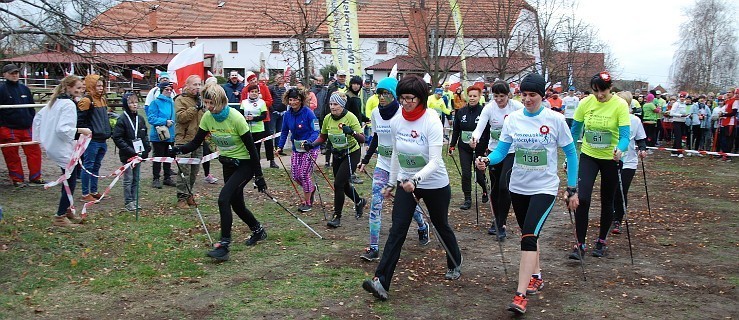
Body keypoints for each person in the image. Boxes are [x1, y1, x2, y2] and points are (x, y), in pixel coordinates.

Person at [475, 72, 579, 314]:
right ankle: (537, 276)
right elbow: (501, 151)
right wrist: (487, 160)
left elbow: (572, 155)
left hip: (544, 188)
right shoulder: (513, 119)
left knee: (529, 235)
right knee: (528, 234)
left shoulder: (555, 120)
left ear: (543, 96)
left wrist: (572, 187)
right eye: (525, 94)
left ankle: (520, 295)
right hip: (518, 187)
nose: (528, 99)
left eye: (533, 95)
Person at [362, 75, 462, 302]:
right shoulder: (397, 121)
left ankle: (455, 261)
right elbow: (397, 153)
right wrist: (391, 182)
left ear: (421, 98)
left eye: (411, 98)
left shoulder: (431, 121)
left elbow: (436, 161)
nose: (406, 102)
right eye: (403, 98)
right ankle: (381, 281)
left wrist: (415, 180)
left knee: (440, 225)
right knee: (397, 229)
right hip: (406, 183)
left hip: (434, 182)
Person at [171, 82, 268, 261]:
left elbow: (253, 151)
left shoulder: (236, 118)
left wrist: (259, 176)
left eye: (211, 103)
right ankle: (258, 230)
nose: (208, 107)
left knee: (223, 199)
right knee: (236, 204)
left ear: (221, 101)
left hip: (244, 164)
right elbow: (195, 143)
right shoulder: (208, 117)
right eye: (205, 103)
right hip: (228, 164)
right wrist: (178, 150)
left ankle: (224, 244)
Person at [357, 77, 430, 261]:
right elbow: (375, 137)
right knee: (376, 204)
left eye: (386, 94)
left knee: (407, 205)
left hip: (402, 167)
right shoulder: (375, 113)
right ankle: (373, 247)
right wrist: (365, 159)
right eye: (379, 93)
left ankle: (422, 226)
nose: (382, 97)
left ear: (395, 95)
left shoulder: (402, 114)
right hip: (382, 164)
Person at [569, 71, 630, 260]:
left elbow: (625, 136)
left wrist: (620, 149)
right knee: (583, 198)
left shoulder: (619, 105)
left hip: (610, 159)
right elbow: (575, 131)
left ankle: (602, 241)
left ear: (610, 88)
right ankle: (580, 243)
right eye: (595, 91)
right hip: (589, 155)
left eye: (603, 91)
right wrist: (568, 156)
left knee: (607, 200)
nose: (599, 95)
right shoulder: (585, 103)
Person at [32, 75, 90, 227]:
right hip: (62, 148)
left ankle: (67, 209)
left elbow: (38, 119)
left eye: (82, 88)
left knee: (68, 178)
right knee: (70, 180)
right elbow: (63, 130)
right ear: (69, 88)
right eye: (77, 88)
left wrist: (41, 139)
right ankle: (60, 215)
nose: (80, 90)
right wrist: (81, 130)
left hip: (54, 146)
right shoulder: (68, 105)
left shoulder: (54, 102)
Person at [470, 80, 523, 239]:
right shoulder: (489, 108)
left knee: (504, 187)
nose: (499, 100)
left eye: (502, 96)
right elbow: (479, 129)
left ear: (509, 95)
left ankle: (502, 223)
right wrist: (474, 138)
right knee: (494, 187)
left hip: (512, 151)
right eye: (495, 96)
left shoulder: (516, 108)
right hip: (494, 151)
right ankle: (496, 219)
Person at [305, 92, 366, 228]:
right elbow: (323, 137)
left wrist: (352, 132)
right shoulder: (327, 118)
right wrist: (312, 144)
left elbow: (362, 139)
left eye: (335, 104)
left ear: (342, 105)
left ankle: (337, 216)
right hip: (337, 154)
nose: (332, 107)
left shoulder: (350, 117)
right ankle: (359, 201)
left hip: (352, 153)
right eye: (331, 104)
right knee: (343, 185)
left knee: (338, 184)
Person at [275, 88, 319, 212]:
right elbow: (284, 131)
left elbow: (316, 130)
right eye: (291, 100)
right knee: (295, 175)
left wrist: (309, 142)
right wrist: (280, 147)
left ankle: (308, 202)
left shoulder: (308, 113)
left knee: (304, 174)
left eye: (296, 100)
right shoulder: (287, 115)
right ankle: (310, 188)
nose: (293, 102)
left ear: (301, 101)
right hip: (297, 148)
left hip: (310, 147)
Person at [0, 63, 43, 187]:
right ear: (5, 74)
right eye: (11, 73)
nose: (14, 75)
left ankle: (36, 177)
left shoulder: (24, 88)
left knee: (35, 152)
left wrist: (32, 121)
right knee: (11, 155)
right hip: (8, 128)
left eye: (16, 73)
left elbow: (31, 107)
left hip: (27, 127)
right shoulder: (1, 89)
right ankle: (17, 179)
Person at [611, 91, 647, 234]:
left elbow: (641, 139)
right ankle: (610, 215)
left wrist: (642, 150)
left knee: (621, 190)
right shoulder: (610, 118)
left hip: (629, 161)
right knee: (612, 190)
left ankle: (617, 220)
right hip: (611, 160)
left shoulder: (635, 120)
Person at [449, 85, 489, 210]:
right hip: (464, 147)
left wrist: (487, 146)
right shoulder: (461, 112)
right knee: (466, 173)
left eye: (475, 96)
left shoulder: (484, 111)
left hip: (480, 148)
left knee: (479, 173)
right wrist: (452, 145)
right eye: (470, 96)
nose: (472, 98)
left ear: (479, 97)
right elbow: (456, 130)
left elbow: (487, 131)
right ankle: (467, 198)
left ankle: (484, 190)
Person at [112, 93, 151, 211]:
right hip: (128, 155)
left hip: (138, 154)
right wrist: (129, 151)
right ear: (126, 105)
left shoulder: (140, 119)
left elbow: (144, 135)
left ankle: (134, 199)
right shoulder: (122, 119)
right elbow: (117, 138)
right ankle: (128, 201)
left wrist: (146, 148)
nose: (134, 105)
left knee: (136, 178)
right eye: (131, 103)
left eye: (135, 102)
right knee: (128, 178)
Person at [77, 74, 112, 202]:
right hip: (92, 140)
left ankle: (94, 190)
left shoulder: (103, 100)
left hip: (103, 139)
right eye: (98, 85)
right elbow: (80, 120)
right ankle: (85, 193)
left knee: (96, 166)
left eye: (102, 85)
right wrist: (88, 132)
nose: (101, 88)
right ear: (91, 85)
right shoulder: (86, 101)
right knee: (88, 166)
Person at [174, 75, 206, 209]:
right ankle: (181, 197)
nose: (197, 87)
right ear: (187, 85)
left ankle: (189, 194)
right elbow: (181, 117)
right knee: (184, 171)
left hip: (198, 141)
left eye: (199, 85)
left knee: (194, 171)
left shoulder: (201, 100)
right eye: (195, 85)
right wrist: (195, 108)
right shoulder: (180, 100)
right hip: (184, 140)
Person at [240, 72, 277, 168]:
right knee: (254, 144)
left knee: (268, 140)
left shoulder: (263, 87)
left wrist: (259, 103)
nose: (253, 82)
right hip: (250, 122)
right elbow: (243, 103)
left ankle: (271, 160)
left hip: (264, 119)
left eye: (254, 79)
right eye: (251, 80)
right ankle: (254, 162)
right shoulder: (245, 90)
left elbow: (270, 101)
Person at [147, 81, 176, 189]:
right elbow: (151, 118)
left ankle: (167, 178)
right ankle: (156, 178)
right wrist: (164, 121)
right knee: (158, 157)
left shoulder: (172, 103)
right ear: (161, 90)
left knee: (168, 157)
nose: (169, 91)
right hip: (158, 136)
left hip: (170, 135)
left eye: (170, 89)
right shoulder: (155, 103)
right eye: (166, 89)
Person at [269, 74, 288, 152]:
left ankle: (279, 148)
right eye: (278, 78)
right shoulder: (271, 88)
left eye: (281, 78)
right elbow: (269, 100)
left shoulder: (285, 88)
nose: (280, 79)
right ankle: (270, 149)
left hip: (282, 112)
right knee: (271, 131)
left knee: (279, 131)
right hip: (273, 112)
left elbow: (286, 99)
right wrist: (273, 110)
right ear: (275, 79)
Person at [666, 93, 689, 157]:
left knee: (679, 137)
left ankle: (674, 151)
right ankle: (679, 152)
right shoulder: (676, 104)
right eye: (681, 97)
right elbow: (671, 113)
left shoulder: (685, 104)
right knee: (678, 136)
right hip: (676, 121)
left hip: (683, 122)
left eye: (684, 97)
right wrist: (680, 115)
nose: (682, 99)